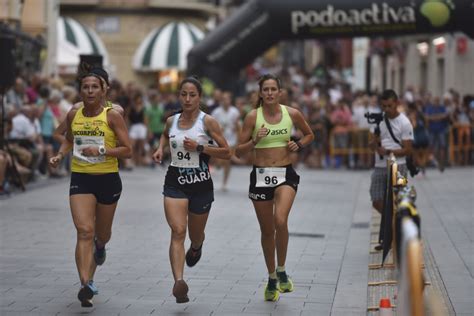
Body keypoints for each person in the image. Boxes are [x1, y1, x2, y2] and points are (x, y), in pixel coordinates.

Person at [49, 65, 132, 307]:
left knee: (101, 234)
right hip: (81, 177)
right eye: (85, 87)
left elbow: (128, 151)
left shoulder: (113, 114)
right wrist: (60, 154)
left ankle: (101, 246)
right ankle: (85, 283)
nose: (90, 90)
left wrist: (102, 150)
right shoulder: (74, 113)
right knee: (84, 230)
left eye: (95, 86)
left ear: (104, 89)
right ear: (80, 90)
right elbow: (67, 138)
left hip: (108, 178)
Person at [235, 74, 314, 302]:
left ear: (280, 92)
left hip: (285, 174)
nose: (269, 93)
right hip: (260, 176)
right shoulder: (252, 117)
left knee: (280, 220)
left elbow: (310, 134)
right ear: (260, 93)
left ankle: (281, 268)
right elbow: (238, 151)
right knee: (267, 230)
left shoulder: (292, 114)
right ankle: (271, 277)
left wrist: (298, 143)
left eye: (273, 89)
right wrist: (254, 141)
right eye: (265, 90)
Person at [152, 77, 231, 303]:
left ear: (199, 97)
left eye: (192, 95)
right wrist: (159, 149)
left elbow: (227, 152)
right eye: (183, 94)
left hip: (201, 185)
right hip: (175, 180)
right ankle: (179, 282)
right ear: (179, 96)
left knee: (195, 235)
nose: (187, 99)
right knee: (178, 231)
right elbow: (165, 135)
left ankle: (196, 246)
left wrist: (200, 147)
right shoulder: (171, 121)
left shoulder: (209, 122)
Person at [369, 90, 414, 251]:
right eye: (383, 106)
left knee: (398, 202)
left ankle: (392, 235)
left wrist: (388, 151)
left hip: (399, 165)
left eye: (389, 105)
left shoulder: (404, 122)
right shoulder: (379, 121)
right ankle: (392, 227)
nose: (387, 109)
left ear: (396, 103)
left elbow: (408, 150)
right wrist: (374, 143)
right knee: (376, 199)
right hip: (380, 166)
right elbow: (371, 144)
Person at [211, 91, 241, 191]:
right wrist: (218, 130)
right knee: (219, 161)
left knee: (227, 161)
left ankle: (225, 182)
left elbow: (238, 126)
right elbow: (211, 127)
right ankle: (217, 166)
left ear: (230, 100)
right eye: (223, 99)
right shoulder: (216, 112)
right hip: (218, 140)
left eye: (227, 99)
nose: (225, 101)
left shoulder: (235, 111)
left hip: (231, 140)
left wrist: (238, 141)